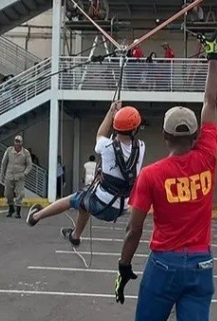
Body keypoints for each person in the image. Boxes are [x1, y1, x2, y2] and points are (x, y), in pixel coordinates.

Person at [114, 34, 217, 321]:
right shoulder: (208, 155)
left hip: (162, 266)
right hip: (201, 265)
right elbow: (210, 103)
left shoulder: (153, 174)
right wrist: (214, 57)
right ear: (196, 135)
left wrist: (124, 267)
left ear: (162, 136)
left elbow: (134, 229)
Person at [27, 103, 145, 243]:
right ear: (135, 129)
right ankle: (75, 236)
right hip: (122, 207)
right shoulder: (141, 147)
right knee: (84, 203)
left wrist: (111, 112)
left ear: (116, 126)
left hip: (102, 204)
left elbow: (100, 134)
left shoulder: (106, 146)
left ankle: (35, 217)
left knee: (72, 200)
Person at [0, 135, 32, 219]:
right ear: (14, 142)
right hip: (9, 175)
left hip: (20, 176)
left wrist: (25, 173)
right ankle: (11, 209)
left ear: (22, 143)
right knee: (8, 194)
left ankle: (18, 211)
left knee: (20, 194)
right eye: (16, 141)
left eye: (19, 142)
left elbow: (29, 165)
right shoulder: (9, 150)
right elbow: (4, 163)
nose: (17, 143)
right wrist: (2, 174)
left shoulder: (25, 153)